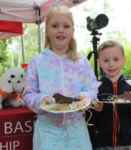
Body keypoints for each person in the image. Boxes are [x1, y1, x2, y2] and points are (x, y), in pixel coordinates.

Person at [23, 5, 98, 150]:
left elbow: (92, 88)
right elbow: (28, 93)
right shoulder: (37, 61)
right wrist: (40, 100)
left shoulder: (82, 62)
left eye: (66, 26)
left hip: (77, 130)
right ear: (47, 30)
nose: (61, 30)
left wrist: (85, 96)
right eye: (55, 26)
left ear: (72, 31)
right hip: (47, 131)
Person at [86, 40, 131, 150]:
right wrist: (96, 109)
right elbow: (87, 118)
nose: (111, 64)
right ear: (99, 63)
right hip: (100, 144)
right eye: (106, 60)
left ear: (123, 60)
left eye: (116, 59)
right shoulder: (94, 88)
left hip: (126, 143)